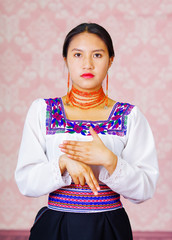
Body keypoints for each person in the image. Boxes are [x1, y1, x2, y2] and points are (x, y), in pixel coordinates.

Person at [15, 23, 159, 240]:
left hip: (109, 227)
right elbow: (26, 181)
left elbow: (145, 189)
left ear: (111, 60)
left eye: (98, 55)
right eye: (78, 55)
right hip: (55, 227)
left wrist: (110, 161)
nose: (87, 64)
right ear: (66, 60)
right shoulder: (42, 110)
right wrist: (62, 163)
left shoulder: (130, 116)